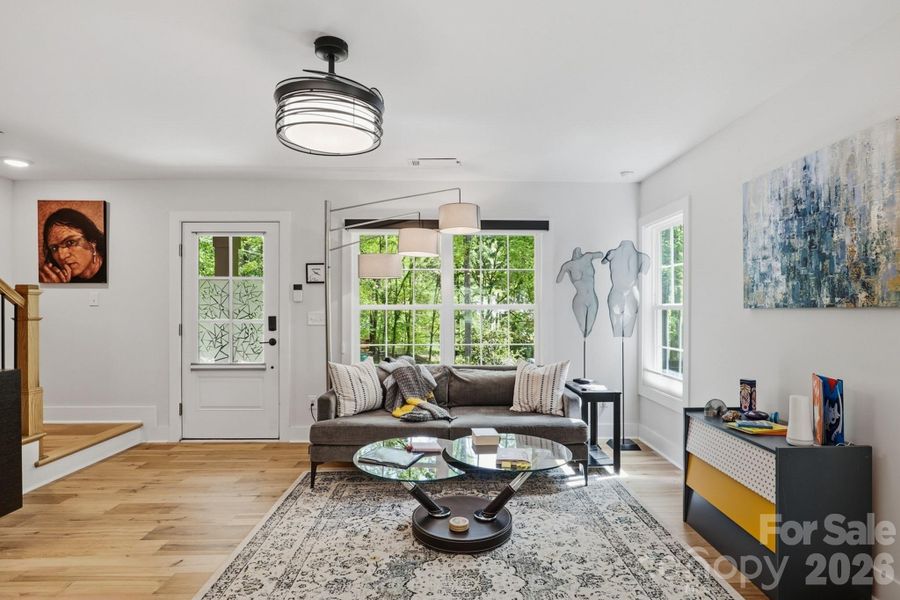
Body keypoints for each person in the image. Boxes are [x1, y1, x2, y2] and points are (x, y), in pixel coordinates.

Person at [40, 208, 107, 283]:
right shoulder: (58, 279)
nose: (61, 256)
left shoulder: (111, 268)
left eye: (70, 242)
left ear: (92, 241)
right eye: (54, 248)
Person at [556, 247, 607, 338]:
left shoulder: (588, 257)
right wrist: (564, 270)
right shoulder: (568, 265)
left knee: (589, 329)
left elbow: (601, 255)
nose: (577, 250)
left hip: (592, 298)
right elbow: (558, 280)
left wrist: (592, 255)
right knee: (583, 329)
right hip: (580, 299)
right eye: (575, 250)